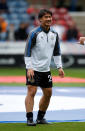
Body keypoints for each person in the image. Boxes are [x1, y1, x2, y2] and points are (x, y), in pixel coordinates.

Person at [24, 9, 64, 126]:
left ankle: (40, 118)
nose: (48, 19)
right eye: (46, 17)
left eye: (50, 17)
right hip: (33, 68)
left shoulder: (54, 34)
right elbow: (27, 51)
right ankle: (29, 118)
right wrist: (29, 67)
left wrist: (59, 67)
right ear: (40, 19)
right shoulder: (34, 33)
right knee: (32, 91)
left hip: (46, 70)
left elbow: (57, 52)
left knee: (48, 93)